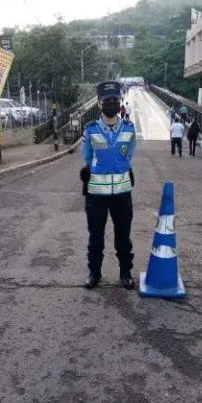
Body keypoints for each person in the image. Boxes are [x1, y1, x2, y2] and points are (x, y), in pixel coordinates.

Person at [79, 81, 136, 290]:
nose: (111, 104)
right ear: (99, 103)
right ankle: (94, 272)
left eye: (115, 100)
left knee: (123, 237)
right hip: (96, 195)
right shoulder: (90, 130)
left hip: (122, 194)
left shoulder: (129, 129)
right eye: (106, 100)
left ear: (119, 102)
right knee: (96, 237)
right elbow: (86, 158)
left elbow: (129, 155)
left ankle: (125, 272)